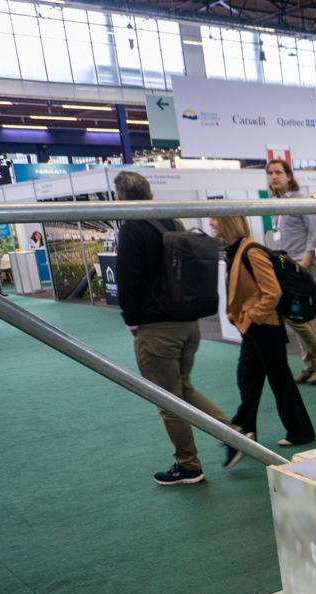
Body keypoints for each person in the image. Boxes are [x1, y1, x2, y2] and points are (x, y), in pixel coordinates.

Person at [113, 170, 233, 486]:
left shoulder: (131, 229)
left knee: (168, 401)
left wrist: (131, 322)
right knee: (183, 388)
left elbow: (127, 281)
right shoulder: (173, 223)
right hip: (189, 324)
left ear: (118, 199)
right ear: (151, 196)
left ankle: (188, 465)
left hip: (157, 330)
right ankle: (233, 435)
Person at [215, 215, 315, 454]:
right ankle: (245, 427)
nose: (211, 223)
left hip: (264, 326)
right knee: (247, 377)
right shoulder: (236, 252)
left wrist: (252, 317)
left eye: (214, 219)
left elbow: (272, 292)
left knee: (279, 379)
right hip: (253, 327)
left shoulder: (251, 252)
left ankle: (299, 432)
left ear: (228, 222)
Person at [266, 158, 316, 385]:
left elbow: (314, 233)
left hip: (301, 267)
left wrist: (304, 263)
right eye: (270, 173)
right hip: (285, 265)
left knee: (297, 316)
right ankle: (311, 364)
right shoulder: (275, 203)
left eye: (277, 172)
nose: (273, 177)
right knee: (294, 316)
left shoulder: (301, 200)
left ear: (288, 176)